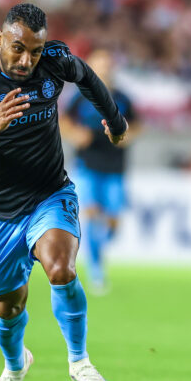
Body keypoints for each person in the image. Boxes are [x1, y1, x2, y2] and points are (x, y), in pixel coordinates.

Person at [0, 3, 129, 381]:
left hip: (49, 193)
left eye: (35, 51)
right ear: (0, 38)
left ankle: (79, 361)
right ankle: (13, 366)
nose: (27, 60)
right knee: (9, 305)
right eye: (19, 49)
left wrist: (114, 120)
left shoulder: (54, 61)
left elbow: (88, 78)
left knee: (61, 269)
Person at [60, 49, 139, 294]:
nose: (103, 70)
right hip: (87, 164)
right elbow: (63, 120)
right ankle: (96, 270)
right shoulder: (80, 97)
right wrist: (75, 134)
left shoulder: (123, 97)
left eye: (106, 66)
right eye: (99, 66)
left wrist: (128, 136)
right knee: (92, 213)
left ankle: (98, 249)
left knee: (113, 218)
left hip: (115, 165)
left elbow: (137, 124)